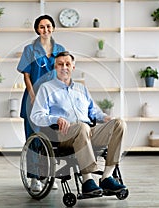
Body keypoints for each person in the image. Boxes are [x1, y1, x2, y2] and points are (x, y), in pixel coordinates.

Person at [30, 51, 127, 197]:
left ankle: (107, 177)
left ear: (73, 67)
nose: (64, 67)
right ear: (55, 67)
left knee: (119, 124)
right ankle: (87, 180)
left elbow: (94, 112)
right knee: (82, 127)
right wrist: (55, 119)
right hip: (63, 134)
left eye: (67, 64)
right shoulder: (46, 88)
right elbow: (36, 116)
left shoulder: (81, 89)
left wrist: (106, 118)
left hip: (88, 131)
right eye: (60, 64)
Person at [17, 15, 65, 192]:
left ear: (53, 28)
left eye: (48, 26)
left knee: (51, 140)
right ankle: (34, 178)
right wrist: (32, 95)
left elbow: (64, 72)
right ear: (37, 29)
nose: (45, 30)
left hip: (53, 102)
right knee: (34, 140)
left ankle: (48, 176)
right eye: (42, 27)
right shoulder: (30, 50)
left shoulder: (60, 49)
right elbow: (27, 75)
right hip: (33, 99)